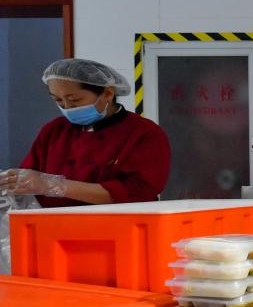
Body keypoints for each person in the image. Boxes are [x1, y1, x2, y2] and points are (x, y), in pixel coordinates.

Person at [0, 58, 171, 207]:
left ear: (108, 93)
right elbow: (28, 178)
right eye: (58, 100)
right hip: (54, 230)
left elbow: (137, 193)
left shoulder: (144, 133)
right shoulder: (53, 131)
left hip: (119, 231)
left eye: (74, 100)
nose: (67, 107)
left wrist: (53, 185)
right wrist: (14, 182)